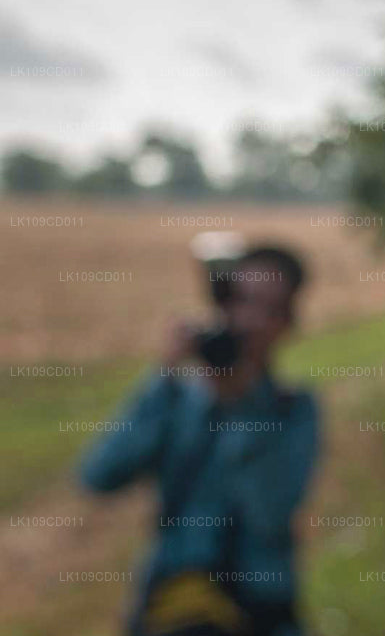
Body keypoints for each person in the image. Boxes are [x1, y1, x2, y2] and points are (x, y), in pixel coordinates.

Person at [81, 245, 319, 636]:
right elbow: (98, 476)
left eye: (270, 309)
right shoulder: (177, 400)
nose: (251, 320)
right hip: (171, 609)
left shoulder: (293, 410)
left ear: (289, 322)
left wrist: (243, 407)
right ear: (220, 301)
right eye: (241, 300)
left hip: (260, 610)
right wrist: (164, 378)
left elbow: (271, 514)